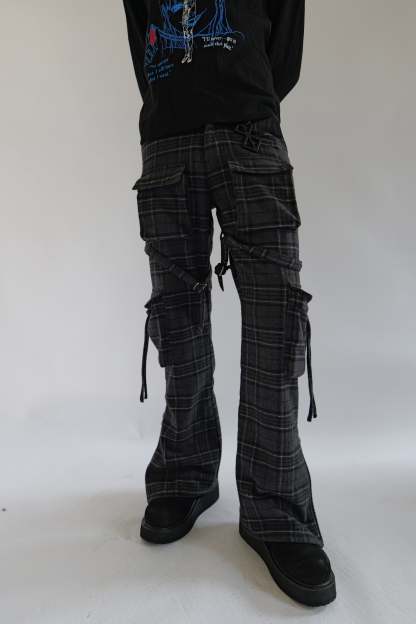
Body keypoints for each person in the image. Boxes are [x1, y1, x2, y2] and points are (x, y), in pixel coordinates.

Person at [122, 0, 336, 607]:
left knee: (276, 320)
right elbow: (142, 38)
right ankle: (186, 474)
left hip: (251, 132)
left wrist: (240, 92)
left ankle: (277, 510)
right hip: (167, 140)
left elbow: (284, 51)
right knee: (177, 320)